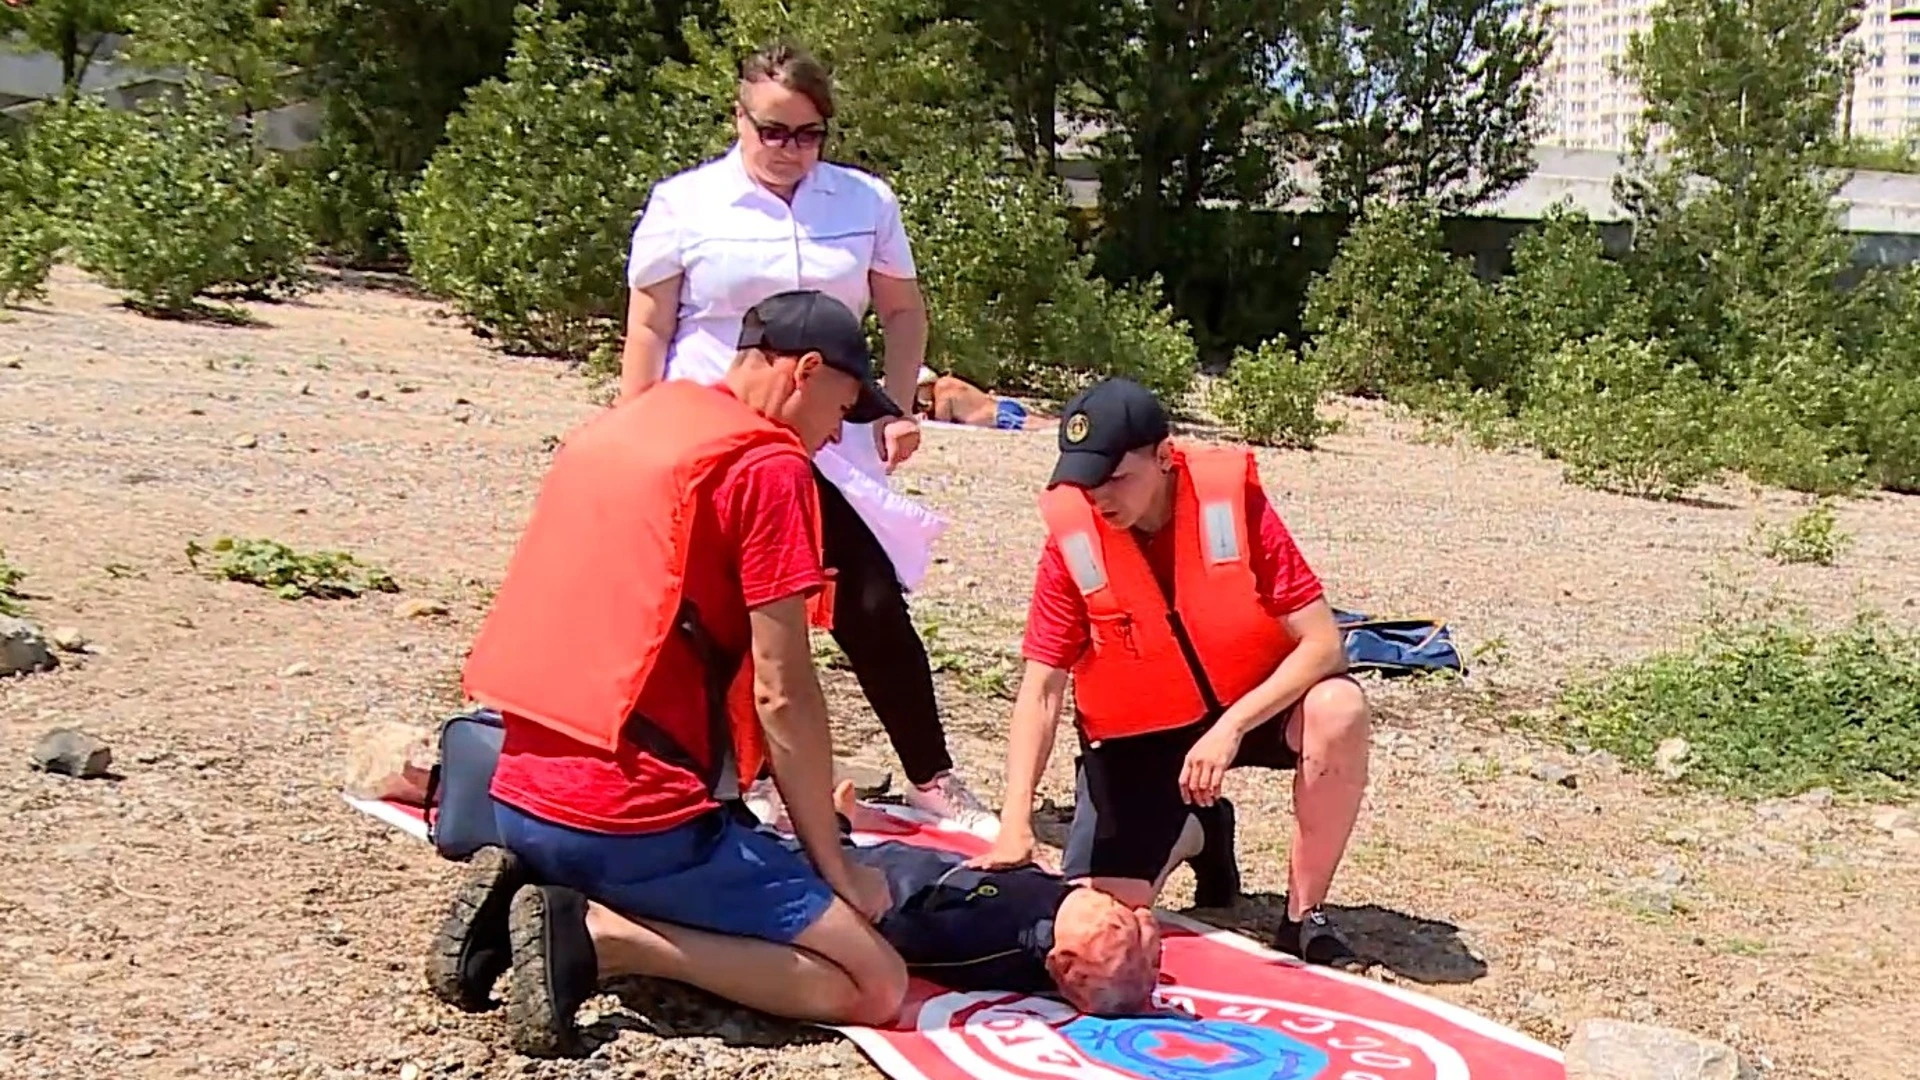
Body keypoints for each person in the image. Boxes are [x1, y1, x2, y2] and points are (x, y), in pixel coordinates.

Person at [449, 289, 910, 1057]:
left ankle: (533, 891)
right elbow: (781, 691)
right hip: (627, 820)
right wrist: (836, 868)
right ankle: (597, 938)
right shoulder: (770, 469)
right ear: (803, 371)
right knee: (875, 983)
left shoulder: (635, 423)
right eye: (844, 404)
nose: (838, 435)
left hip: (517, 790)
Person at [619, 40, 994, 834]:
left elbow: (901, 310)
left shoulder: (864, 202)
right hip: (712, 428)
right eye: (774, 131)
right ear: (739, 118)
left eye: (810, 134)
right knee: (724, 608)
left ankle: (934, 776)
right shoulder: (686, 203)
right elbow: (650, 323)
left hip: (827, 426)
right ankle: (738, 771)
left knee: (865, 596)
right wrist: (633, 427)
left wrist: (896, 403)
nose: (791, 151)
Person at [970, 377, 1374, 969]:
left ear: (1163, 457)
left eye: (1115, 477)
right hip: (1140, 729)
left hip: (1248, 708)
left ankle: (1303, 917)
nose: (1098, 497)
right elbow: (1042, 689)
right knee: (1103, 922)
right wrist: (1015, 823)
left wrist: (1230, 727)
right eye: (1086, 480)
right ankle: (1199, 830)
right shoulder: (1072, 538)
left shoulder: (1231, 505)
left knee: (1340, 708)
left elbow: (1322, 644)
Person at [429, 784, 1163, 1052]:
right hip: (818, 867)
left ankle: (537, 910)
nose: (1128, 924)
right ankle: (596, 937)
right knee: (867, 986)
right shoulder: (1032, 937)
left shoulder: (1037, 921)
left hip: (637, 817)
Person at [913, 366, 1040, 431]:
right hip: (1001, 409)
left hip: (999, 417)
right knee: (1048, 424)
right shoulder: (947, 384)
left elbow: (942, 421)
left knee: (1047, 427)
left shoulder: (942, 387)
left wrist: (923, 417)